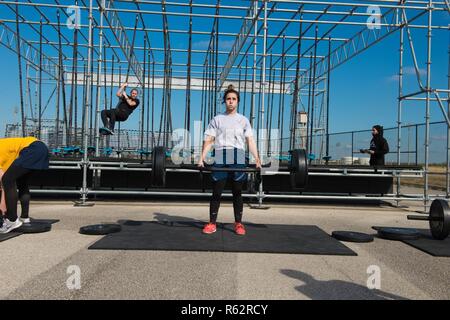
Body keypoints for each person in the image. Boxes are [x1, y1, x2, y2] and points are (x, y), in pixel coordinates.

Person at [197, 84, 261, 236]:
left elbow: (250, 141)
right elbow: (209, 140)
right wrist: (201, 158)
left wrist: (257, 159)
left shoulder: (243, 120)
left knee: (237, 191)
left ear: (237, 101)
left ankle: (238, 223)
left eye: (233, 99)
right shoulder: (217, 119)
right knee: (217, 191)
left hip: (238, 155)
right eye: (228, 99)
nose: (231, 101)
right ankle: (212, 223)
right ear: (224, 101)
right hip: (220, 154)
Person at [0, 137, 49, 233]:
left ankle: (12, 220)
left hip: (32, 149)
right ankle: (24, 218)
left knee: (8, 180)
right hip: (41, 147)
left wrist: (3, 207)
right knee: (22, 182)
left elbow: (3, 181)